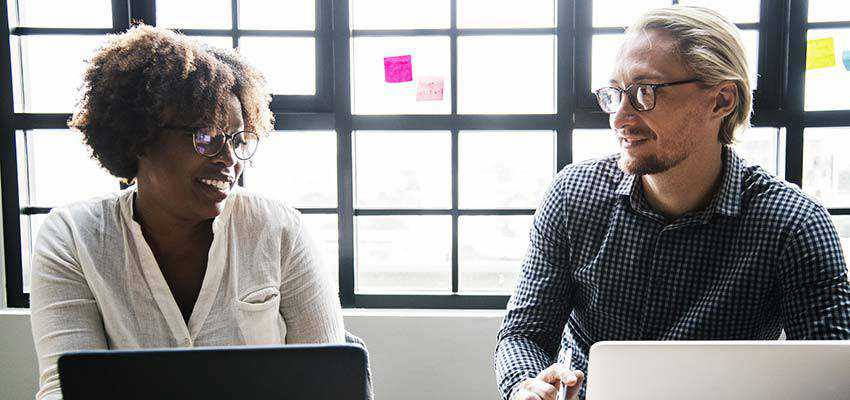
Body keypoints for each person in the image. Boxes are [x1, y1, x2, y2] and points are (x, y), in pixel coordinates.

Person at [494, 6, 850, 400]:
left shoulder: (794, 224)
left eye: (646, 92)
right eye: (615, 93)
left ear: (721, 100)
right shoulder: (572, 196)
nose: (620, 118)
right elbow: (524, 333)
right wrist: (525, 386)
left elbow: (831, 377)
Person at [30, 25, 345, 400]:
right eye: (206, 138)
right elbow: (63, 389)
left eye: (238, 140)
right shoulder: (72, 238)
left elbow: (331, 384)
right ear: (140, 138)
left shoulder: (277, 229)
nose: (229, 160)